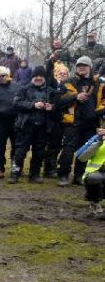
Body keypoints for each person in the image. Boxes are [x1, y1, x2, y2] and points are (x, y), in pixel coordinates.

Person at [56, 56, 105, 186]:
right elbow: (58, 101)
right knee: (68, 149)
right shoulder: (68, 82)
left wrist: (100, 112)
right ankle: (63, 175)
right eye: (79, 65)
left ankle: (78, 176)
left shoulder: (99, 83)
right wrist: (75, 97)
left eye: (84, 65)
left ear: (90, 67)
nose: (81, 67)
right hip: (73, 122)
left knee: (86, 151)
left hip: (91, 123)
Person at [9, 66, 52, 184]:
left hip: (43, 127)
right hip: (26, 125)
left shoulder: (50, 91)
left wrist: (50, 107)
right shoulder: (24, 89)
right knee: (20, 151)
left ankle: (34, 175)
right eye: (36, 76)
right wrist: (33, 105)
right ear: (32, 77)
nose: (38, 78)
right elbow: (16, 104)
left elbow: (56, 105)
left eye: (41, 76)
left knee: (39, 152)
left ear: (44, 78)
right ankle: (15, 174)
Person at [75, 127, 105, 218]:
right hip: (97, 174)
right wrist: (98, 140)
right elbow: (81, 157)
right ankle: (94, 203)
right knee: (93, 178)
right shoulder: (98, 138)